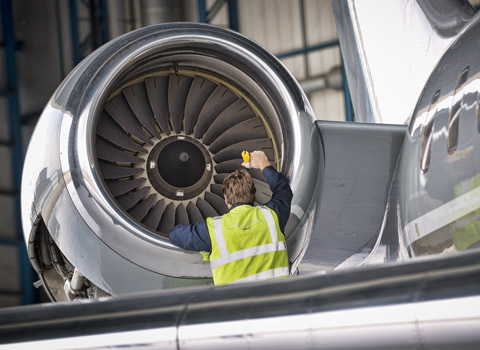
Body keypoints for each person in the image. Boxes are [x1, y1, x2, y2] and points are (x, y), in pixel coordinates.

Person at [169, 150, 293, 286]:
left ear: (226, 199)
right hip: (278, 303)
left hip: (236, 306)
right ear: (253, 196)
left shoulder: (213, 231)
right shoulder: (272, 216)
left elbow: (176, 235)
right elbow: (284, 189)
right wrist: (263, 164)